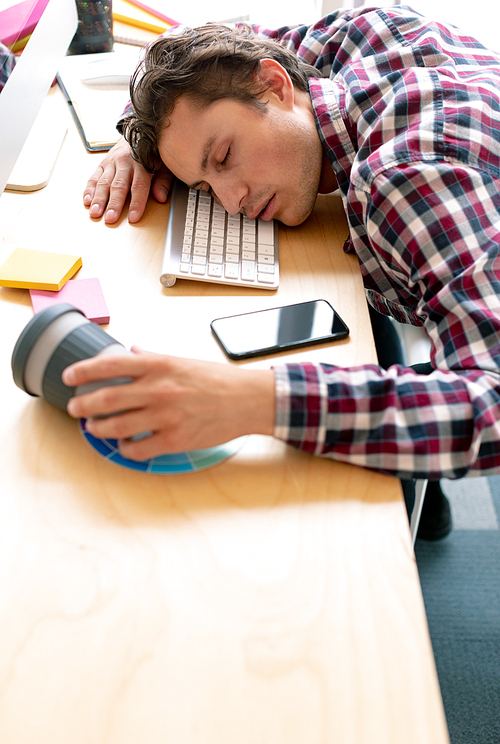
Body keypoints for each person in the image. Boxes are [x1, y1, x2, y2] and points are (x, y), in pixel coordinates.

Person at [63, 5, 500, 540]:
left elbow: (492, 410)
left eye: (223, 157)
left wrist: (250, 400)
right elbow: (195, 43)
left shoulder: (404, 182)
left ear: (273, 86)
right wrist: (137, 142)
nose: (232, 200)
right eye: (203, 186)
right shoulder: (351, 42)